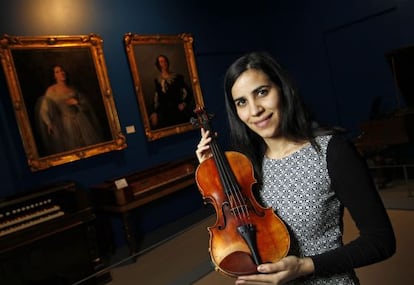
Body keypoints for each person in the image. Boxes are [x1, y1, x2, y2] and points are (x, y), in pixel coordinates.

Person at [195, 51, 395, 284]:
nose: (254, 110)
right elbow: (240, 230)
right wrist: (214, 175)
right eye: (242, 102)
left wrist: (304, 266)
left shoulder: (333, 152)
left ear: (282, 89)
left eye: (262, 92)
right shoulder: (247, 164)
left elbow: (381, 241)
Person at [35, 64, 104, 156]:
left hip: (81, 120)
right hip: (66, 123)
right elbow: (44, 109)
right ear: (54, 76)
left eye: (62, 70)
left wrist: (77, 103)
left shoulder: (72, 89)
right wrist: (48, 123)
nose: (61, 73)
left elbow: (85, 106)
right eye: (57, 72)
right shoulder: (51, 90)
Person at [149, 54, 194, 129]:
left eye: (165, 61)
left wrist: (184, 103)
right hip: (165, 113)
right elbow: (156, 98)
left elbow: (188, 92)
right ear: (158, 64)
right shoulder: (157, 81)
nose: (164, 63)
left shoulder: (178, 77)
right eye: (161, 62)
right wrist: (154, 112)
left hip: (178, 111)